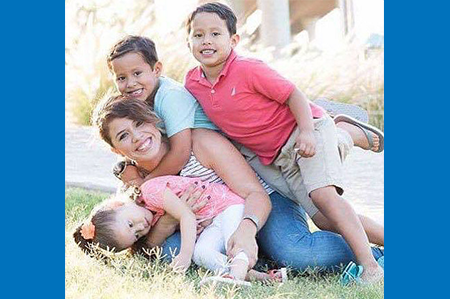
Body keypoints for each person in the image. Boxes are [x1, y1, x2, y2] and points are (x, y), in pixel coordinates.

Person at [184, 2, 384, 283]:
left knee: (325, 196)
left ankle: (371, 268)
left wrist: (306, 132)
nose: (206, 41)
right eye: (198, 34)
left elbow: (294, 95)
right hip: (274, 156)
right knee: (324, 218)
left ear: (233, 40)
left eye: (215, 34)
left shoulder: (248, 69)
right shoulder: (192, 82)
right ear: (188, 41)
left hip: (304, 132)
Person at [90, 96, 384, 275]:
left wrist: (246, 229)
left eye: (139, 125)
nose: (138, 137)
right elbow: (141, 244)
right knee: (168, 254)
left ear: (153, 121)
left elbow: (255, 194)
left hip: (259, 202)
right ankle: (255, 255)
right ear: (117, 150)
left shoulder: (199, 144)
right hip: (215, 222)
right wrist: (169, 220)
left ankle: (375, 254)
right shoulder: (134, 179)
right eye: (124, 136)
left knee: (296, 253)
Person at [73, 174, 286, 285]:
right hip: (214, 221)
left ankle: (236, 279)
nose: (142, 228)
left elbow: (186, 215)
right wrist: (190, 253)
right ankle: (261, 277)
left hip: (230, 205)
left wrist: (184, 256)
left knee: (234, 240)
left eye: (131, 224)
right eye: (136, 235)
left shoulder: (151, 191)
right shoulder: (150, 213)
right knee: (201, 254)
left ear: (118, 205)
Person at [106, 35, 217, 186]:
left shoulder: (170, 96)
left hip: (206, 160)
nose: (130, 83)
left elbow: (180, 154)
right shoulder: (140, 96)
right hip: (182, 162)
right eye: (121, 78)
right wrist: (125, 167)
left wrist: (146, 184)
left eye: (137, 73)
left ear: (156, 69)